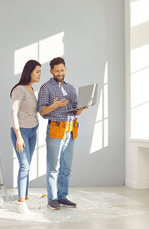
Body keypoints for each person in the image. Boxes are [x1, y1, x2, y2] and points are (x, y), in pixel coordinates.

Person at [37, 57, 88, 210]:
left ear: (65, 69)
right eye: (57, 71)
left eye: (62, 70)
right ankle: (52, 199)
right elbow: (42, 111)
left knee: (66, 167)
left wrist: (81, 110)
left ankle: (62, 196)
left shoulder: (71, 88)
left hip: (71, 129)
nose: (60, 73)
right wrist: (55, 105)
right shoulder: (46, 88)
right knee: (53, 167)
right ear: (51, 71)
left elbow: (74, 111)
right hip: (55, 128)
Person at [10, 59, 41, 214]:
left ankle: (26, 198)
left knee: (27, 166)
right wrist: (19, 136)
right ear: (29, 72)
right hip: (21, 132)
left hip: (32, 132)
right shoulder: (19, 90)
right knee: (24, 167)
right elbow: (13, 113)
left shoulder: (31, 90)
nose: (40, 74)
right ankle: (21, 202)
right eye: (37, 71)